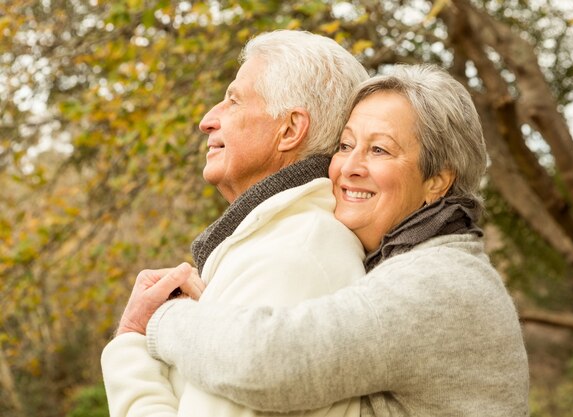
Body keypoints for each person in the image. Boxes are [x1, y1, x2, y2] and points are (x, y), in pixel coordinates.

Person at [122, 63, 530, 416]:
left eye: (380, 151)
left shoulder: (439, 282)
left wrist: (159, 320)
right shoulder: (426, 266)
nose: (349, 166)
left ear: (438, 180)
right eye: (346, 145)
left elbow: (270, 361)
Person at [100, 30, 369, 417]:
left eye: (233, 100)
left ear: (290, 130)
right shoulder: (278, 244)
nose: (207, 120)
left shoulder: (291, 258)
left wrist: (130, 345)